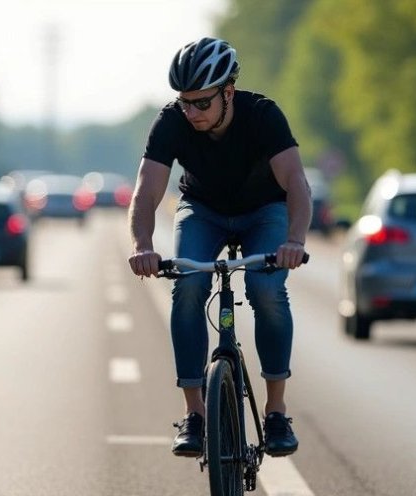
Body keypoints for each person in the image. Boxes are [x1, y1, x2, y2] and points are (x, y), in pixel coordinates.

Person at [127, 37, 312, 458]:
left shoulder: (263, 115)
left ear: (228, 92)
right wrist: (142, 245)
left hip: (264, 210)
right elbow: (147, 190)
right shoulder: (172, 121)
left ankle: (277, 411)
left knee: (266, 290)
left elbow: (297, 183)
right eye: (184, 102)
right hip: (204, 209)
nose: (191, 113)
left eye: (201, 103)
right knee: (188, 285)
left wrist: (294, 241)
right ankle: (194, 414)